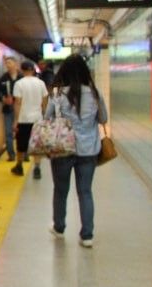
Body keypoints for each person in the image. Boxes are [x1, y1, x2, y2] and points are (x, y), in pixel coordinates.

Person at [46, 54, 107, 247]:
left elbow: (46, 118)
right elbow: (103, 119)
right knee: (85, 192)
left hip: (62, 149)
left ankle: (59, 226)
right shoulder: (95, 93)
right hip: (88, 150)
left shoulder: (57, 95)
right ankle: (87, 235)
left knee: (61, 190)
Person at [11, 60, 49, 179]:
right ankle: (37, 168)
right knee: (37, 145)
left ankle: (19, 166)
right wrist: (44, 114)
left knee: (21, 145)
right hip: (37, 119)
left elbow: (17, 103)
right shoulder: (41, 83)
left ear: (22, 71)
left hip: (23, 119)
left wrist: (15, 120)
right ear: (33, 70)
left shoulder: (19, 84)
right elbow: (44, 101)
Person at [0, 56, 19, 161]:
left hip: (20, 109)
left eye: (10, 63)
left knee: (21, 132)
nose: (8, 65)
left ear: (15, 64)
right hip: (8, 109)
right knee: (8, 132)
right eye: (6, 63)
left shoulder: (21, 77)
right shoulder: (4, 78)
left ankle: (23, 154)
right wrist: (3, 99)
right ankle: (11, 154)